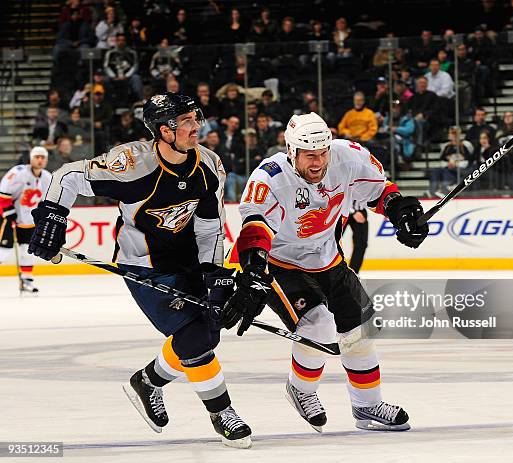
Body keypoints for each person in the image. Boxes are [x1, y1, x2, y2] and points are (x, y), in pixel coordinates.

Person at [27, 93, 253, 448]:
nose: (198, 127)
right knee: (195, 338)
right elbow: (67, 175)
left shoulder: (208, 164)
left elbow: (210, 227)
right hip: (145, 264)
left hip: (189, 257)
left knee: (210, 330)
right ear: (165, 131)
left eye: (197, 117)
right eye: (188, 122)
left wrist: (215, 275)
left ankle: (147, 381)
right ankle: (221, 411)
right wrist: (53, 216)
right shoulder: (132, 164)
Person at [223, 112, 428, 433]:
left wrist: (399, 210)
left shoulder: (349, 156)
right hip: (280, 263)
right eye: (309, 155)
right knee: (318, 326)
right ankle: (301, 390)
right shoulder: (270, 177)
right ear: (291, 152)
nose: (318, 162)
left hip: (328, 258)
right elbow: (255, 227)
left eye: (322, 153)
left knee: (359, 331)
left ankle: (367, 405)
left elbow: (379, 192)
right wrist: (251, 274)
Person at [0, 147, 51, 293]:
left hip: (28, 220)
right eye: (37, 157)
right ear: (31, 158)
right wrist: (9, 213)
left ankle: (27, 280)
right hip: (7, 216)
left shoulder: (47, 177)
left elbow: (46, 202)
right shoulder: (18, 173)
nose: (40, 160)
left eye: (43, 157)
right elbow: (3, 194)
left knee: (27, 250)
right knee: (4, 249)